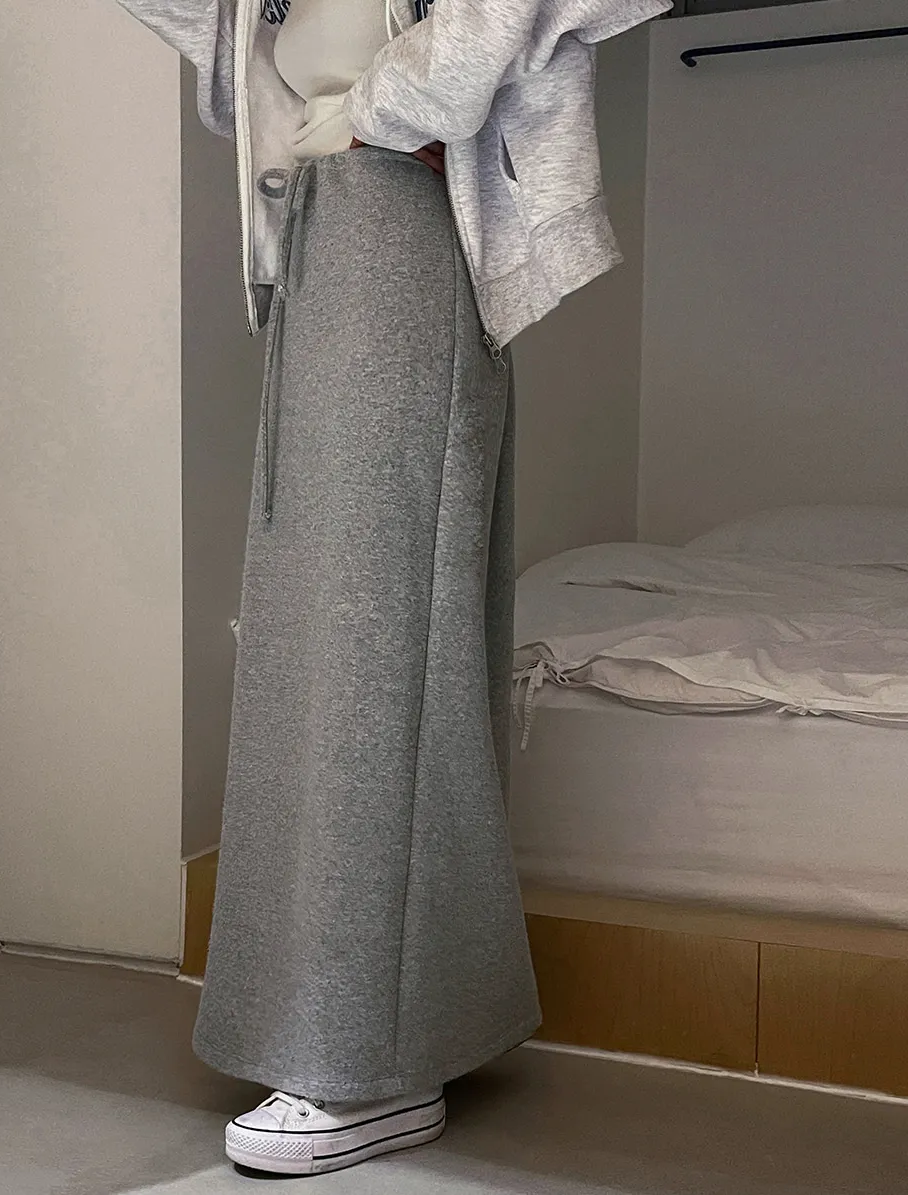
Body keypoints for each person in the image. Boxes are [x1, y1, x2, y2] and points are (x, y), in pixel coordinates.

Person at [117, 0, 669, 1177]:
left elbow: (479, 36)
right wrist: (341, 126)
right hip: (324, 218)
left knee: (378, 641)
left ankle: (371, 1063)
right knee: (319, 639)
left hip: (401, 212)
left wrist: (372, 111)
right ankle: (365, 1029)